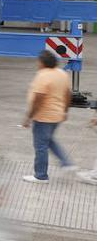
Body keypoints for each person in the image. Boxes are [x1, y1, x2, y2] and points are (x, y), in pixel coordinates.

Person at [22, 50, 76, 183]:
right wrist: (65, 111)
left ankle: (41, 175)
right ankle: (66, 163)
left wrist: (28, 117)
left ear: (42, 62)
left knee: (41, 146)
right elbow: (68, 94)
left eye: (38, 61)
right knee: (49, 140)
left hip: (43, 117)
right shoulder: (62, 73)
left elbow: (38, 99)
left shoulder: (43, 75)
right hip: (57, 115)